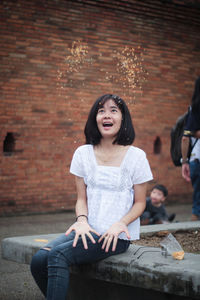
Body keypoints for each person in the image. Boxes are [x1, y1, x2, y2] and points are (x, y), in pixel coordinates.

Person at [30, 94, 153, 300]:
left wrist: (120, 224)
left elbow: (140, 203)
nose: (107, 115)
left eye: (114, 110)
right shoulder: (82, 153)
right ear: (94, 118)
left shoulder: (137, 156)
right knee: (39, 260)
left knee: (57, 255)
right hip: (86, 229)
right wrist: (81, 221)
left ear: (123, 119)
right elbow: (81, 199)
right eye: (101, 110)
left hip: (115, 236)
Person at [181, 76, 200, 221]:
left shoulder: (194, 109)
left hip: (195, 160)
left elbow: (185, 138)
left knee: (197, 206)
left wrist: (184, 162)